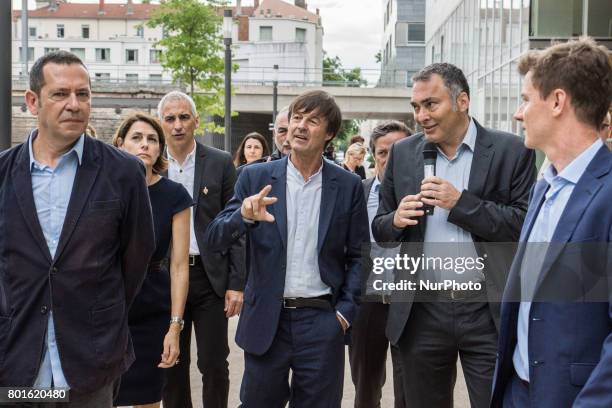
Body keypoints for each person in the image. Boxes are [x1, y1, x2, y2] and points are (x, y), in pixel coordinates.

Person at [371, 63, 536, 408]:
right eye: (416, 107)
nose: (421, 116)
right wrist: (397, 220)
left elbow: (523, 225)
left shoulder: (513, 150)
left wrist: (461, 204)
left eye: (431, 104)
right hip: (422, 310)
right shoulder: (403, 153)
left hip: (487, 310)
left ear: (462, 101)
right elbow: (381, 229)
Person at [0, 50, 155, 405]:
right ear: (32, 101)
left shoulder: (123, 173)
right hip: (15, 357)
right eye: (60, 94)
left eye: (82, 94)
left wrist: (99, 309)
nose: (74, 104)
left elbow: (135, 260)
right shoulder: (3, 174)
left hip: (91, 359)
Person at [204, 90, 369, 407]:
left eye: (313, 120)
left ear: (330, 133)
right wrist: (243, 217)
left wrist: (344, 315)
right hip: (268, 319)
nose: (300, 126)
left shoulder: (347, 185)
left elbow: (360, 256)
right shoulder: (255, 177)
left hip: (322, 320)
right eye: (296, 118)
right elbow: (215, 238)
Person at [491, 37, 612, 408]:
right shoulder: (545, 186)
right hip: (518, 390)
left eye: (526, 99)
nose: (518, 112)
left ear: (558, 101)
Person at [159, 91, 245, 408]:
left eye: (184, 117)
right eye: (170, 118)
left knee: (213, 363)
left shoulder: (220, 163)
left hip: (211, 279)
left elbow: (237, 225)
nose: (178, 125)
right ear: (161, 123)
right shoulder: (153, 165)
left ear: (196, 120)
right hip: (167, 279)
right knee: (171, 364)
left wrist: (237, 283)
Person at [112, 113, 192, 408]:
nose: (145, 145)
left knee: (148, 399)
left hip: (152, 310)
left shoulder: (174, 195)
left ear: (160, 149)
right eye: (136, 138)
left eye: (152, 139)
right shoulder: (104, 189)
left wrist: (175, 327)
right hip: (107, 306)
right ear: (120, 144)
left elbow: (179, 266)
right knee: (98, 395)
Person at [349, 120, 411, 408]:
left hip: (410, 302)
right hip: (367, 301)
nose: (391, 159)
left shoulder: (425, 196)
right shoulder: (357, 192)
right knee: (365, 385)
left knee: (408, 386)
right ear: (374, 156)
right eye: (384, 152)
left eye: (399, 151)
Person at [538, 110, 612, 179]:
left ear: (609, 130)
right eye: (591, 126)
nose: (595, 132)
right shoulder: (560, 157)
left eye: (602, 127)